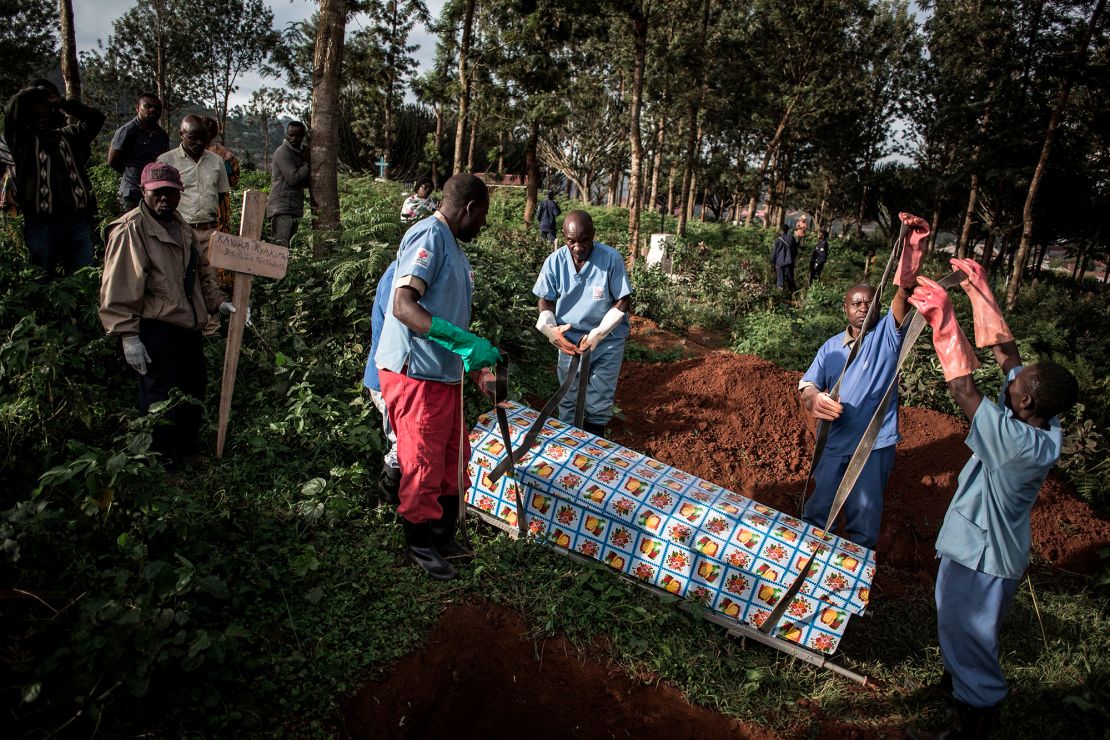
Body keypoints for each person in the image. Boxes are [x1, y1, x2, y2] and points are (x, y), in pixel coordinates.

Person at [906, 259, 1078, 739]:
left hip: (983, 558)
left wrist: (943, 320)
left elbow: (962, 387)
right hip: (985, 545)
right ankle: (957, 682)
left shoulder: (1015, 442)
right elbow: (1007, 355)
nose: (1013, 380)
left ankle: (975, 717)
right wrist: (982, 294)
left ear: (1024, 403)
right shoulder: (1042, 421)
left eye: (1019, 386)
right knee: (959, 625)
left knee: (969, 633)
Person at [374, 173, 500, 581]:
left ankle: (443, 535)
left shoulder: (455, 249)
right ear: (469, 208)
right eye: (483, 216)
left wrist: (476, 367)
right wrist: (463, 342)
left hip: (444, 375)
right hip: (417, 374)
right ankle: (418, 542)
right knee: (421, 462)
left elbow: (450, 316)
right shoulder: (428, 234)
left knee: (452, 457)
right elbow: (403, 306)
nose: (483, 225)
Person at [797, 212, 929, 549]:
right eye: (856, 303)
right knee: (816, 510)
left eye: (869, 303)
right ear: (845, 309)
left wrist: (911, 248)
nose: (862, 308)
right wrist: (814, 400)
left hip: (873, 445)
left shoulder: (886, 335)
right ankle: (802, 575)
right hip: (836, 442)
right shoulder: (831, 347)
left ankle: (849, 587)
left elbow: (904, 292)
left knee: (863, 520)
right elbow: (807, 386)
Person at [98, 163, 235, 463]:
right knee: (161, 395)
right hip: (155, 327)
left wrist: (217, 302)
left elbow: (199, 273)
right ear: (143, 191)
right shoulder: (131, 229)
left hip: (187, 324)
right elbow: (120, 285)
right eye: (158, 193)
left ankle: (185, 451)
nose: (165, 200)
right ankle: (162, 460)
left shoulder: (180, 224)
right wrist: (128, 336)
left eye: (172, 194)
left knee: (193, 387)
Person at [533, 210, 632, 437]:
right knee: (568, 396)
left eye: (584, 240)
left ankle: (594, 446)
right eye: (572, 241)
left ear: (593, 235)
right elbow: (545, 299)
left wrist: (599, 333)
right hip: (569, 340)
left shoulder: (610, 259)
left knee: (599, 399)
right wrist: (551, 330)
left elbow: (623, 299)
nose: (578, 247)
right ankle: (569, 447)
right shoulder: (555, 261)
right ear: (565, 238)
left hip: (606, 340)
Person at [4, 80, 105, 278]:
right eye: (37, 114)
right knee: (42, 278)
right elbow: (11, 117)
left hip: (77, 222)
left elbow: (96, 118)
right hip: (41, 224)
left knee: (83, 278)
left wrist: (62, 102)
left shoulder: (70, 136)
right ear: (29, 117)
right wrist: (31, 93)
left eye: (47, 112)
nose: (43, 119)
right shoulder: (23, 143)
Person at [156, 115, 229, 260]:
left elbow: (221, 194)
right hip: (180, 231)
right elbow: (159, 199)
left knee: (210, 280)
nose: (199, 143)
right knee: (182, 277)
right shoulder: (166, 161)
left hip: (210, 232)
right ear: (181, 134)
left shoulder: (217, 161)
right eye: (193, 138)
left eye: (203, 138)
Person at [362, 260, 401, 505]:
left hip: (397, 378)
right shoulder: (397, 276)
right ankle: (387, 502)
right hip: (387, 379)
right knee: (403, 444)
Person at [107, 93, 169, 213]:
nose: (152, 110)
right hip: (132, 192)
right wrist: (132, 173)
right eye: (148, 106)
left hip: (154, 194)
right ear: (138, 108)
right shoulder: (127, 131)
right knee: (131, 228)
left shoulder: (162, 135)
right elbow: (113, 160)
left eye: (157, 108)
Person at [267, 121, 310, 247]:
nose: (294, 139)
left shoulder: (299, 153)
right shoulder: (282, 152)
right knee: (279, 247)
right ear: (287, 134)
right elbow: (293, 179)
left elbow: (304, 182)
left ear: (303, 136)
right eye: (291, 135)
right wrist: (306, 164)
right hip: (282, 208)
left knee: (287, 247)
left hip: (294, 207)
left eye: (298, 136)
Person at [202, 116, 240, 235]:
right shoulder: (225, 153)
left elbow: (233, 179)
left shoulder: (223, 154)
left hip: (217, 201)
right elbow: (234, 180)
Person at [771, 223, 798, 291]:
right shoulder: (792, 238)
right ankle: (792, 292)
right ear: (787, 230)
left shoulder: (778, 240)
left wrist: (773, 262)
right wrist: (792, 259)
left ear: (781, 230)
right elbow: (795, 251)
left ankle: (780, 292)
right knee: (790, 278)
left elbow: (774, 253)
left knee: (780, 278)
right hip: (789, 262)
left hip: (779, 262)